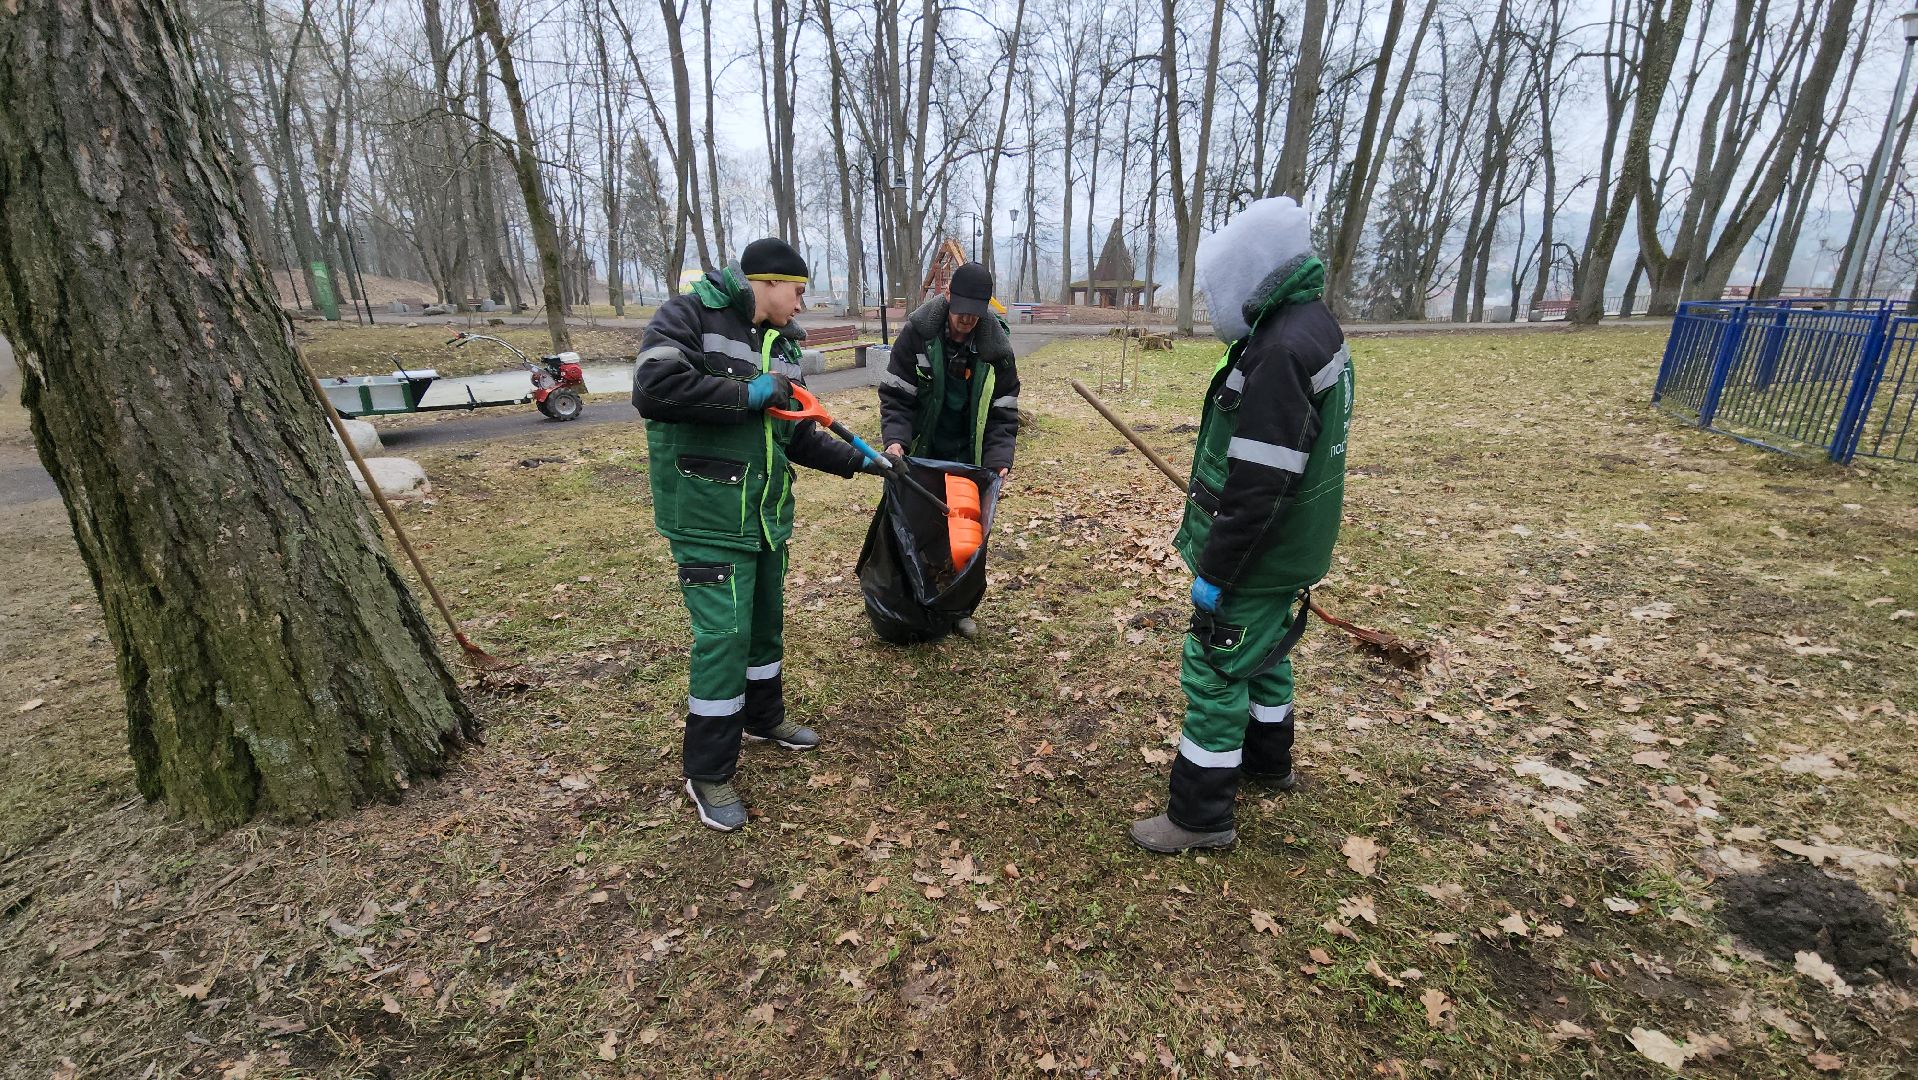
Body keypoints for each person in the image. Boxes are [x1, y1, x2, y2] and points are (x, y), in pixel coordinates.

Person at [633, 237, 887, 832]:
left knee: (764, 624)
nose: (802, 304)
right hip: (708, 512)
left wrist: (859, 462)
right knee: (724, 637)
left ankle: (762, 718)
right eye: (798, 292)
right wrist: (749, 392)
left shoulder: (785, 345)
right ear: (767, 283)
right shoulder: (688, 314)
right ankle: (709, 772)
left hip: (764, 514)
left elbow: (793, 432)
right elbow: (653, 390)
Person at [1129, 197, 1355, 854]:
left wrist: (1217, 574)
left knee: (1216, 663)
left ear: (1250, 274)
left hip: (1259, 553)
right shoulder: (1314, 328)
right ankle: (1266, 760)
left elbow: (1257, 489)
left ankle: (1200, 816)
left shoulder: (1281, 353)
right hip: (1290, 551)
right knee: (1264, 653)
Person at [876, 261, 1020, 638]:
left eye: (976, 313)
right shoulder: (918, 334)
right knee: (916, 527)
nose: (967, 321)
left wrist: (999, 460)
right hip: (920, 453)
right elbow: (896, 396)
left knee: (966, 534)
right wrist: (895, 441)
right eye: (961, 312)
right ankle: (910, 602)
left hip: (967, 458)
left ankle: (958, 608)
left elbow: (1004, 411)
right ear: (948, 298)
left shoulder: (996, 349)